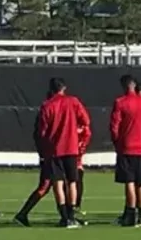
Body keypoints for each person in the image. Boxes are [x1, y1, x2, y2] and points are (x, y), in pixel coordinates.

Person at [18, 77, 90, 229]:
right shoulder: (73, 102)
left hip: (54, 149)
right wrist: (75, 131)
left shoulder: (47, 105)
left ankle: (64, 217)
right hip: (71, 148)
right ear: (64, 88)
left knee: (57, 182)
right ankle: (71, 216)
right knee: (72, 182)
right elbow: (85, 121)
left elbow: (42, 131)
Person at [110, 74, 141, 227]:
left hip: (126, 147)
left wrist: (117, 143)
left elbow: (115, 126)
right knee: (140, 182)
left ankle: (130, 212)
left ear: (124, 86)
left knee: (129, 181)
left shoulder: (120, 103)